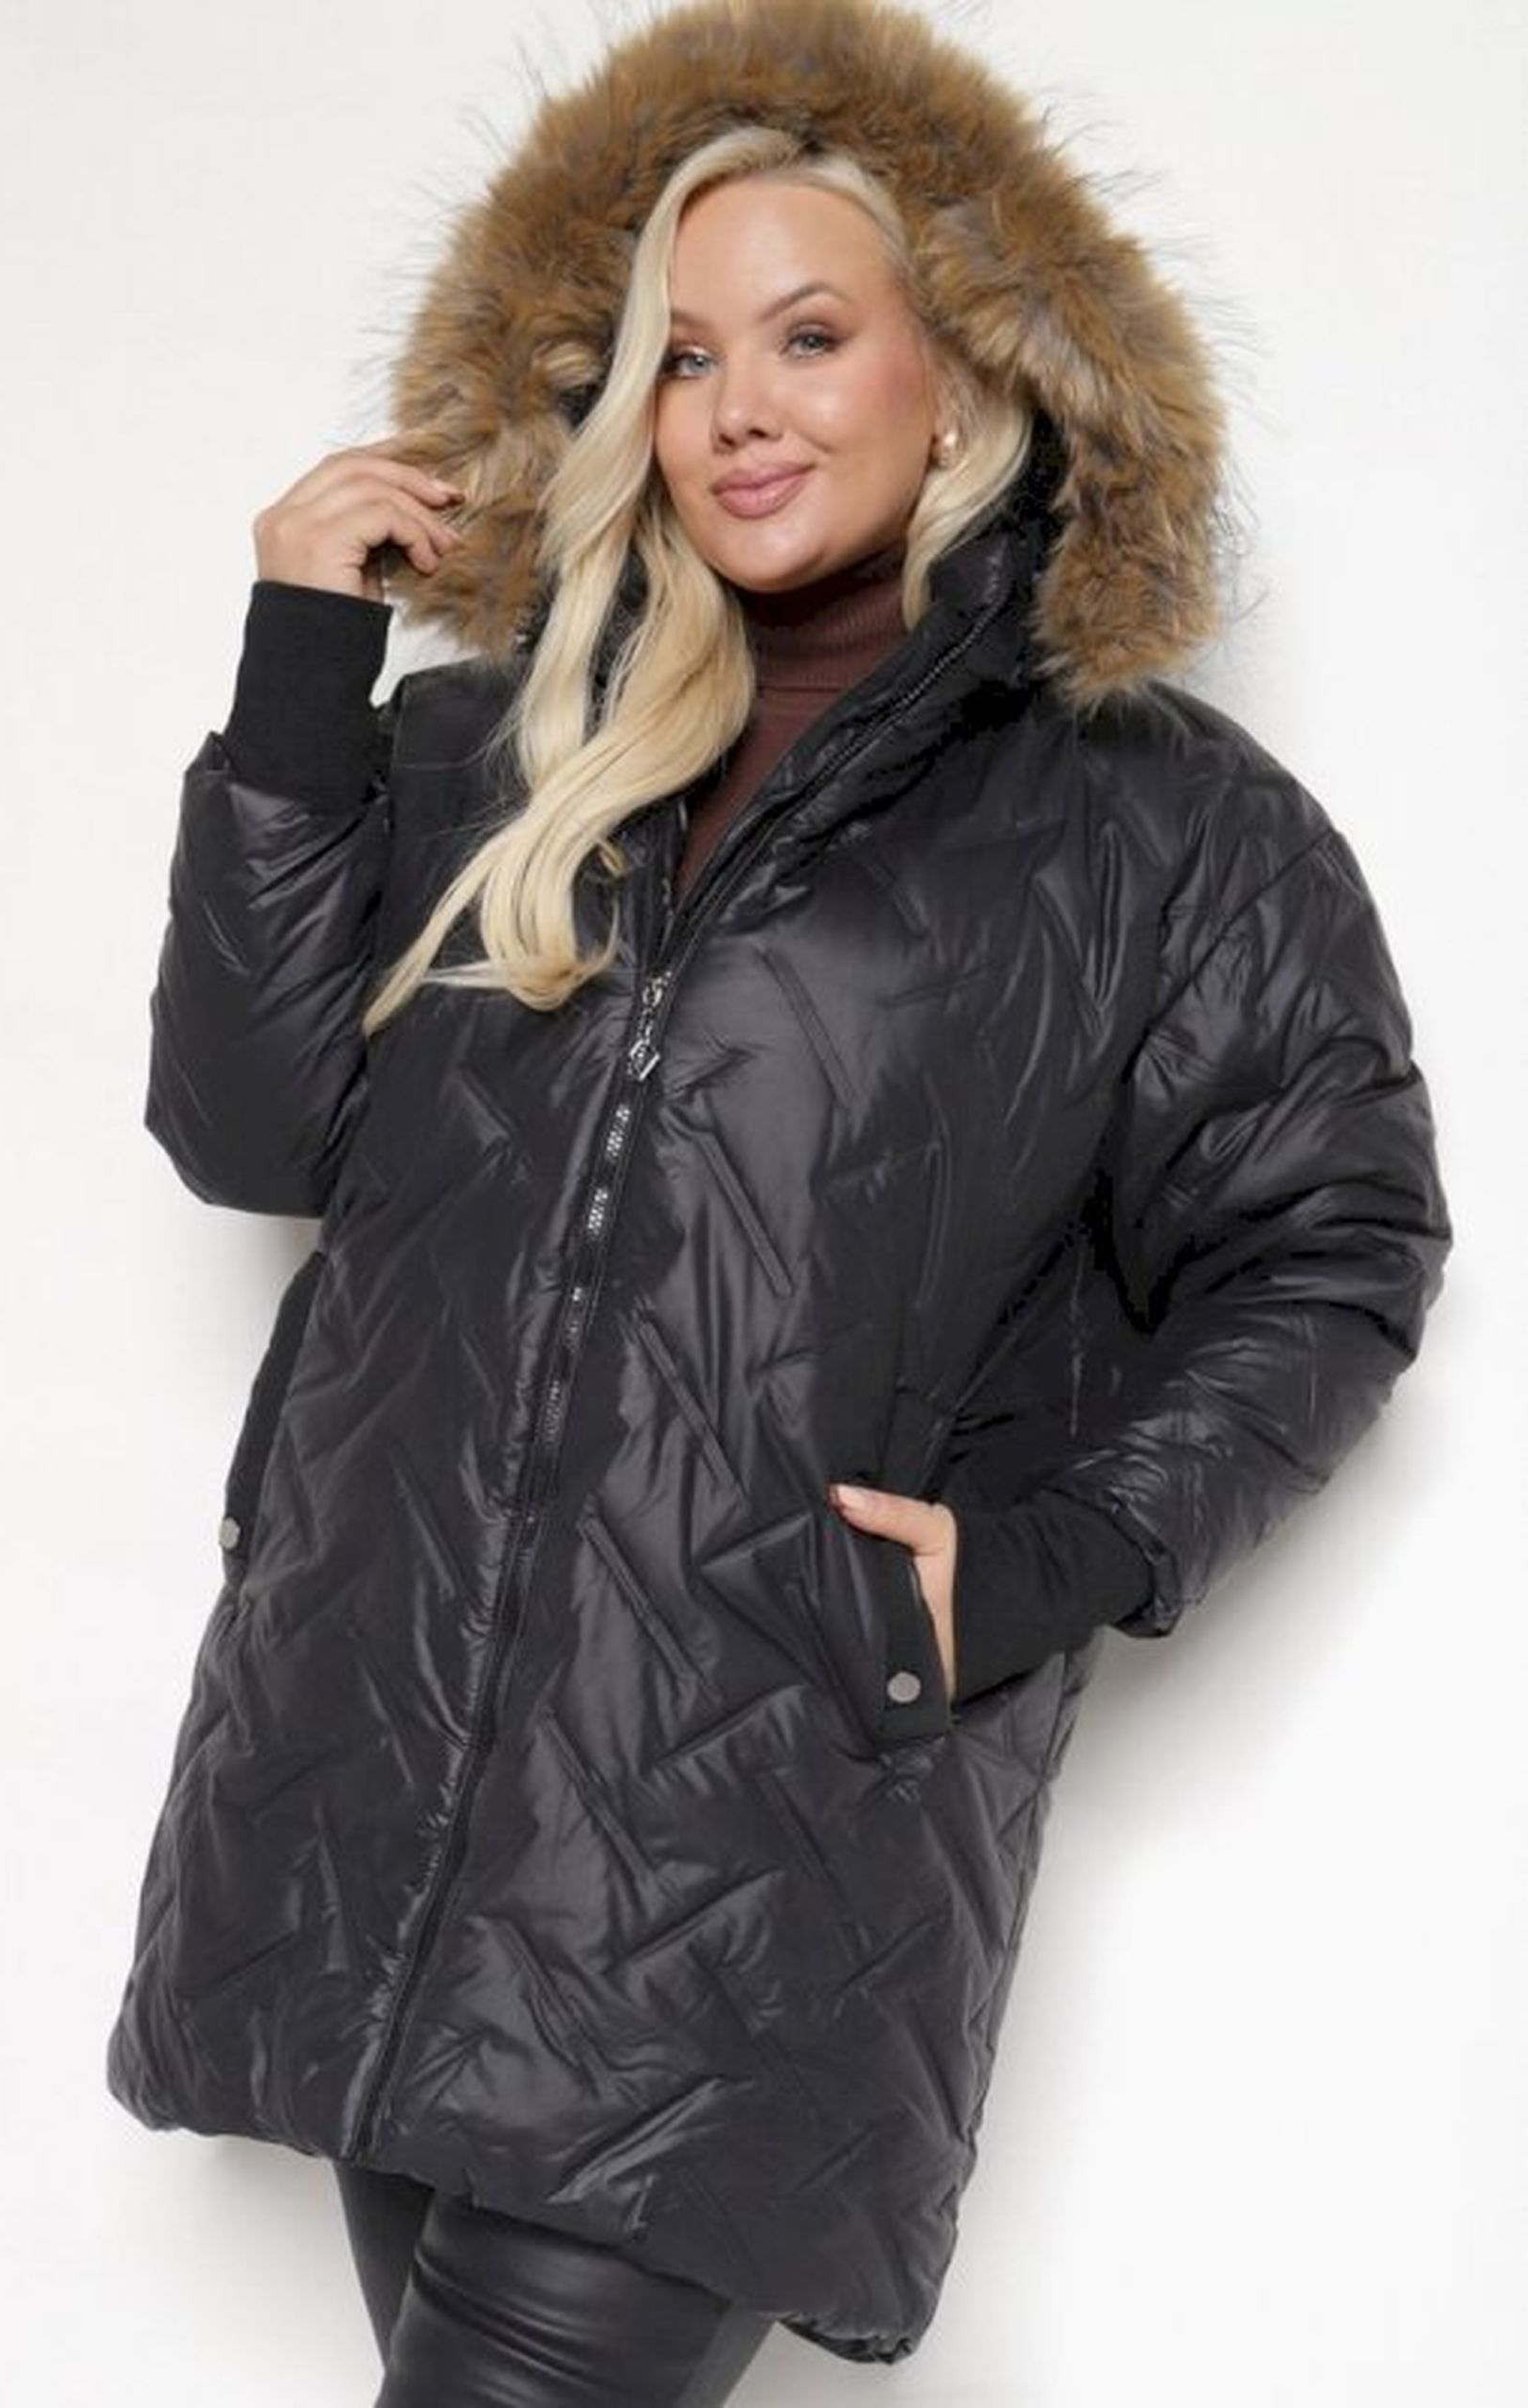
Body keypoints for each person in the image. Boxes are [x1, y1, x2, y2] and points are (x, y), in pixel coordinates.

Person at [105, 1, 1451, 2399]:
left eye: (809, 335)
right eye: (682, 351)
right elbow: (252, 1132)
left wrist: (1037, 1558)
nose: (735, 405)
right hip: (372, 1774)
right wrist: (304, 668)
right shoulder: (492, 750)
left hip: (744, 1847)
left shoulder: (1156, 827)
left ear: (970, 371)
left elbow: (1329, 1248)